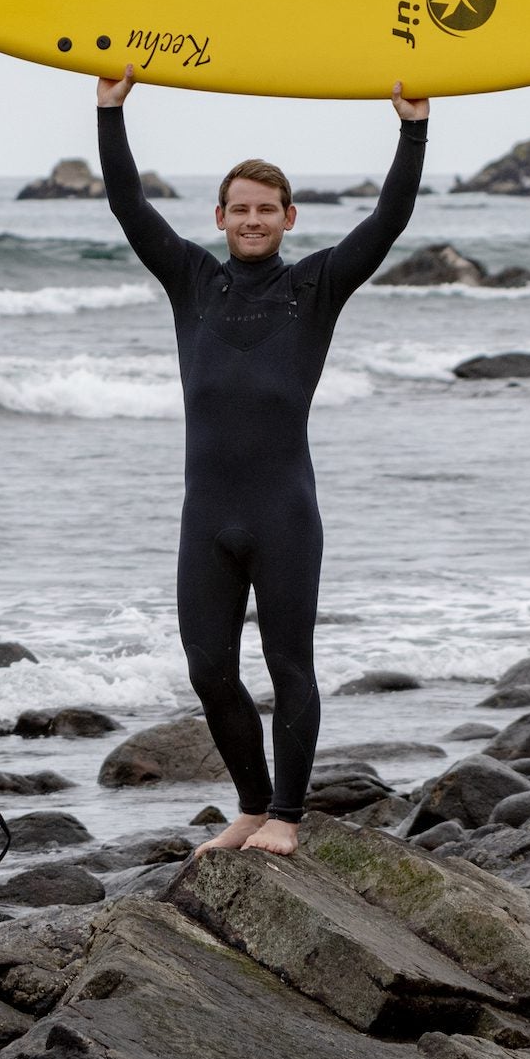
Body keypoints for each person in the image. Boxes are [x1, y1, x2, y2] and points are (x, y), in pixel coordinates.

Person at [96, 64, 428, 856]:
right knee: (208, 669)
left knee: (289, 669)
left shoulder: (314, 287)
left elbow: (387, 220)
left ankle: (285, 816)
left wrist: (412, 130)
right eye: (238, 209)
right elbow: (127, 205)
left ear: (288, 216)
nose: (251, 220)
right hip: (206, 516)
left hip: (283, 513)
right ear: (218, 216)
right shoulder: (192, 282)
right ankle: (249, 805)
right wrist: (109, 111)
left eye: (265, 210)